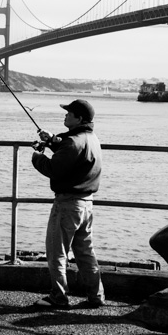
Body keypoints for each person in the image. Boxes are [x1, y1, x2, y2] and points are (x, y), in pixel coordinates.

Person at [31, 98, 105, 308]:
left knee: (57, 252)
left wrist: (37, 155)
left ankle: (59, 297)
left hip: (67, 205)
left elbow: (54, 168)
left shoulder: (73, 142)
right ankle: (96, 296)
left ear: (79, 118)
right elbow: (71, 156)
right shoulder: (92, 138)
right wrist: (53, 140)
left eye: (68, 113)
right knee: (85, 252)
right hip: (86, 204)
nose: (64, 115)